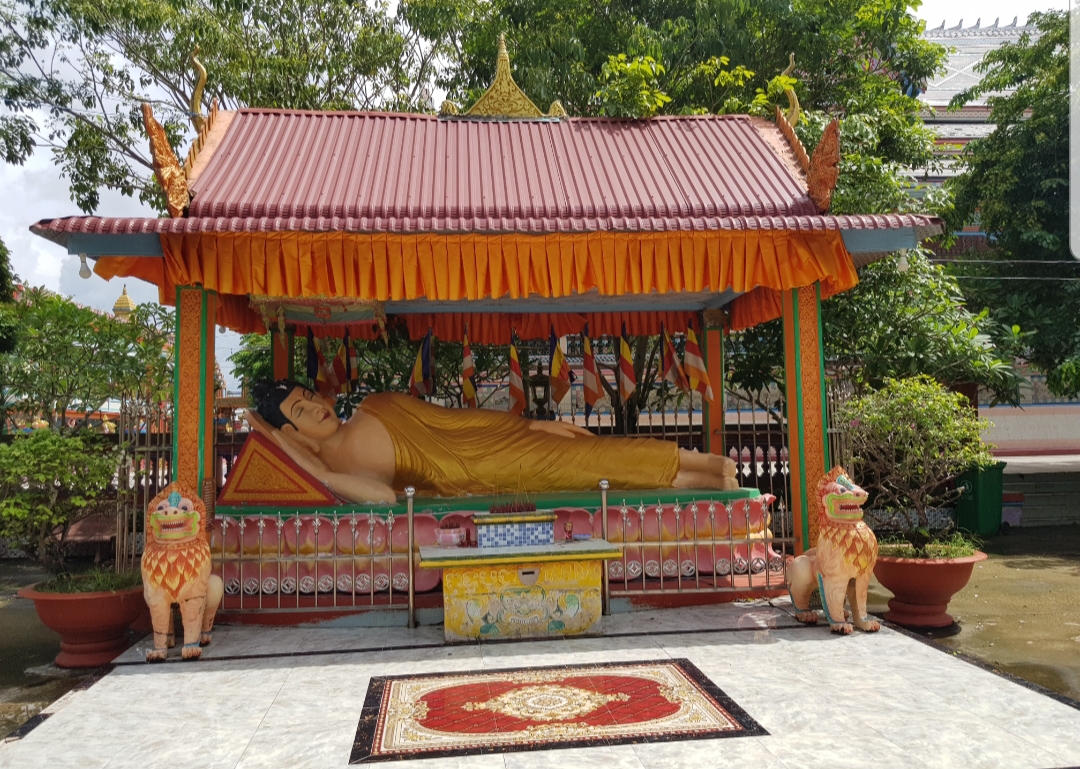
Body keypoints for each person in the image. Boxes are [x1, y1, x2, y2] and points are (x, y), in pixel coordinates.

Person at [249, 380, 739, 504]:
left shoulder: (376, 403)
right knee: (587, 471)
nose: (317, 408)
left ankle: (704, 462)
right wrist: (319, 471)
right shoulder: (343, 467)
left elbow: (456, 421)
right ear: (293, 434)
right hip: (475, 478)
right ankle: (705, 485)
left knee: (589, 451)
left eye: (309, 397)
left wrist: (527, 426)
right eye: (300, 412)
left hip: (497, 445)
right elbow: (384, 498)